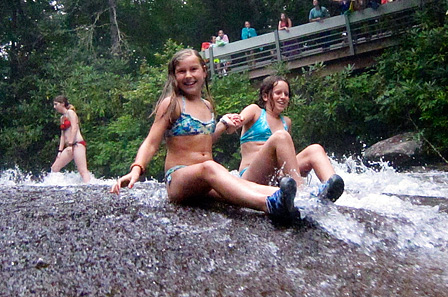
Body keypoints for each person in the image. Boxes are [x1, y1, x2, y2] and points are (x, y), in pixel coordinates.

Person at [110, 49, 298, 221]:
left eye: (193, 69)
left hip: (205, 180)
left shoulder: (207, 106)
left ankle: (292, 200)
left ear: (204, 71)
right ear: (174, 76)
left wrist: (224, 124)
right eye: (181, 71)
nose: (188, 75)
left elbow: (205, 142)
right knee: (211, 167)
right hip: (179, 179)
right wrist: (137, 168)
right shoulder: (172, 104)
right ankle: (269, 205)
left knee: (241, 185)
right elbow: (151, 142)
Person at [233, 75, 344, 203]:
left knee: (315, 149)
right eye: (278, 93)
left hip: (275, 176)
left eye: (286, 94)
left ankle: (332, 186)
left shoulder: (286, 122)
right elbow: (238, 121)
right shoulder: (255, 111)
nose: (283, 97)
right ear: (265, 96)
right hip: (251, 176)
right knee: (281, 136)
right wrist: (231, 121)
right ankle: (301, 193)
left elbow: (287, 159)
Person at [51, 95, 91, 182]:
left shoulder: (71, 113)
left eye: (56, 104)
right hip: (69, 146)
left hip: (77, 144)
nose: (54, 107)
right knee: (54, 168)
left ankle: (90, 187)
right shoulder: (62, 118)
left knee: (82, 170)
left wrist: (70, 143)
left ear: (62, 104)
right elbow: (62, 135)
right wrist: (60, 151)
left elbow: (74, 128)